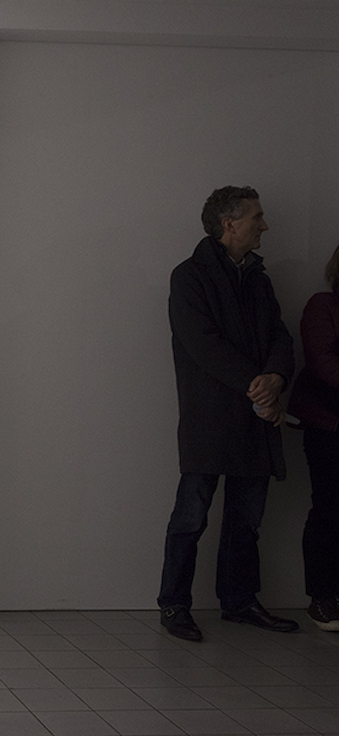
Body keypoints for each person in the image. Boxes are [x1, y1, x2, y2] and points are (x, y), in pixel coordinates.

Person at [158, 185, 299, 641]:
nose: (265, 225)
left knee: (247, 521)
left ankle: (238, 602)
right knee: (190, 518)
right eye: (257, 217)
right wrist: (259, 388)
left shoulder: (258, 278)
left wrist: (275, 378)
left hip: (255, 418)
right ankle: (174, 603)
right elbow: (204, 346)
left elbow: (280, 335)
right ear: (229, 224)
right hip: (211, 418)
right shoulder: (189, 277)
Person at [287, 243, 339, 631]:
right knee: (329, 509)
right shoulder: (323, 305)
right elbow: (323, 364)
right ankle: (322, 598)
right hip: (329, 425)